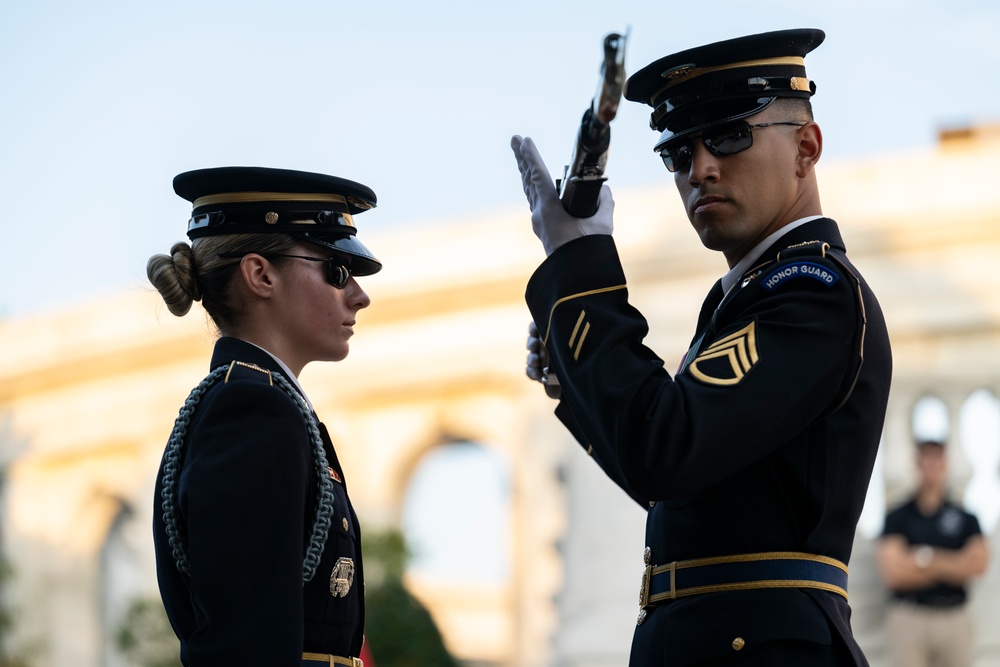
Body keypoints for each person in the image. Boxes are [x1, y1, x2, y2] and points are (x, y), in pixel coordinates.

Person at [511, 28, 892, 666]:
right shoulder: (751, 296)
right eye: (678, 151)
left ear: (806, 147)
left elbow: (667, 447)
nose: (701, 168)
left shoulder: (812, 289)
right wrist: (574, 378)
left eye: (730, 136)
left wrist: (578, 270)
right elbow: (690, 493)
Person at [148, 166, 381, 667]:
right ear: (260, 275)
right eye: (336, 272)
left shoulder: (264, 403)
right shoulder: (253, 410)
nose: (360, 296)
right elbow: (246, 646)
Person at [877, 439, 989, 667]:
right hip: (910, 616)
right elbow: (894, 575)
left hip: (954, 617)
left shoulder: (966, 518)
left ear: (945, 465)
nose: (932, 468)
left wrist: (922, 559)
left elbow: (977, 566)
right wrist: (955, 563)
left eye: (937, 461)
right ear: (917, 465)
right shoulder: (898, 517)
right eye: (926, 461)